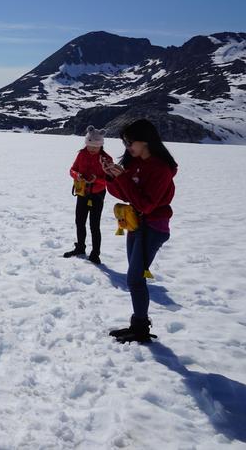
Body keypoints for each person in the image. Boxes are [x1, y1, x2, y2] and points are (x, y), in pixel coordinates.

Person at [102, 119, 177, 343]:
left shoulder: (161, 169)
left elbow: (146, 205)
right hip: (136, 224)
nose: (127, 146)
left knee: (135, 279)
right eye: (124, 141)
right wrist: (111, 177)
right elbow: (125, 194)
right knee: (134, 279)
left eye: (130, 141)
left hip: (154, 228)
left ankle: (141, 329)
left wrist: (122, 177)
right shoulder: (134, 163)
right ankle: (138, 325)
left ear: (145, 140)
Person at [63, 126, 112, 264]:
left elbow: (110, 180)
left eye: (95, 147)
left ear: (101, 145)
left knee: (94, 225)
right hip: (82, 193)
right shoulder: (81, 154)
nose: (91, 149)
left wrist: (96, 179)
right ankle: (80, 247)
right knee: (79, 222)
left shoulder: (106, 159)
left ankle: (95, 254)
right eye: (89, 146)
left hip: (97, 194)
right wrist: (77, 175)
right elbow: (72, 169)